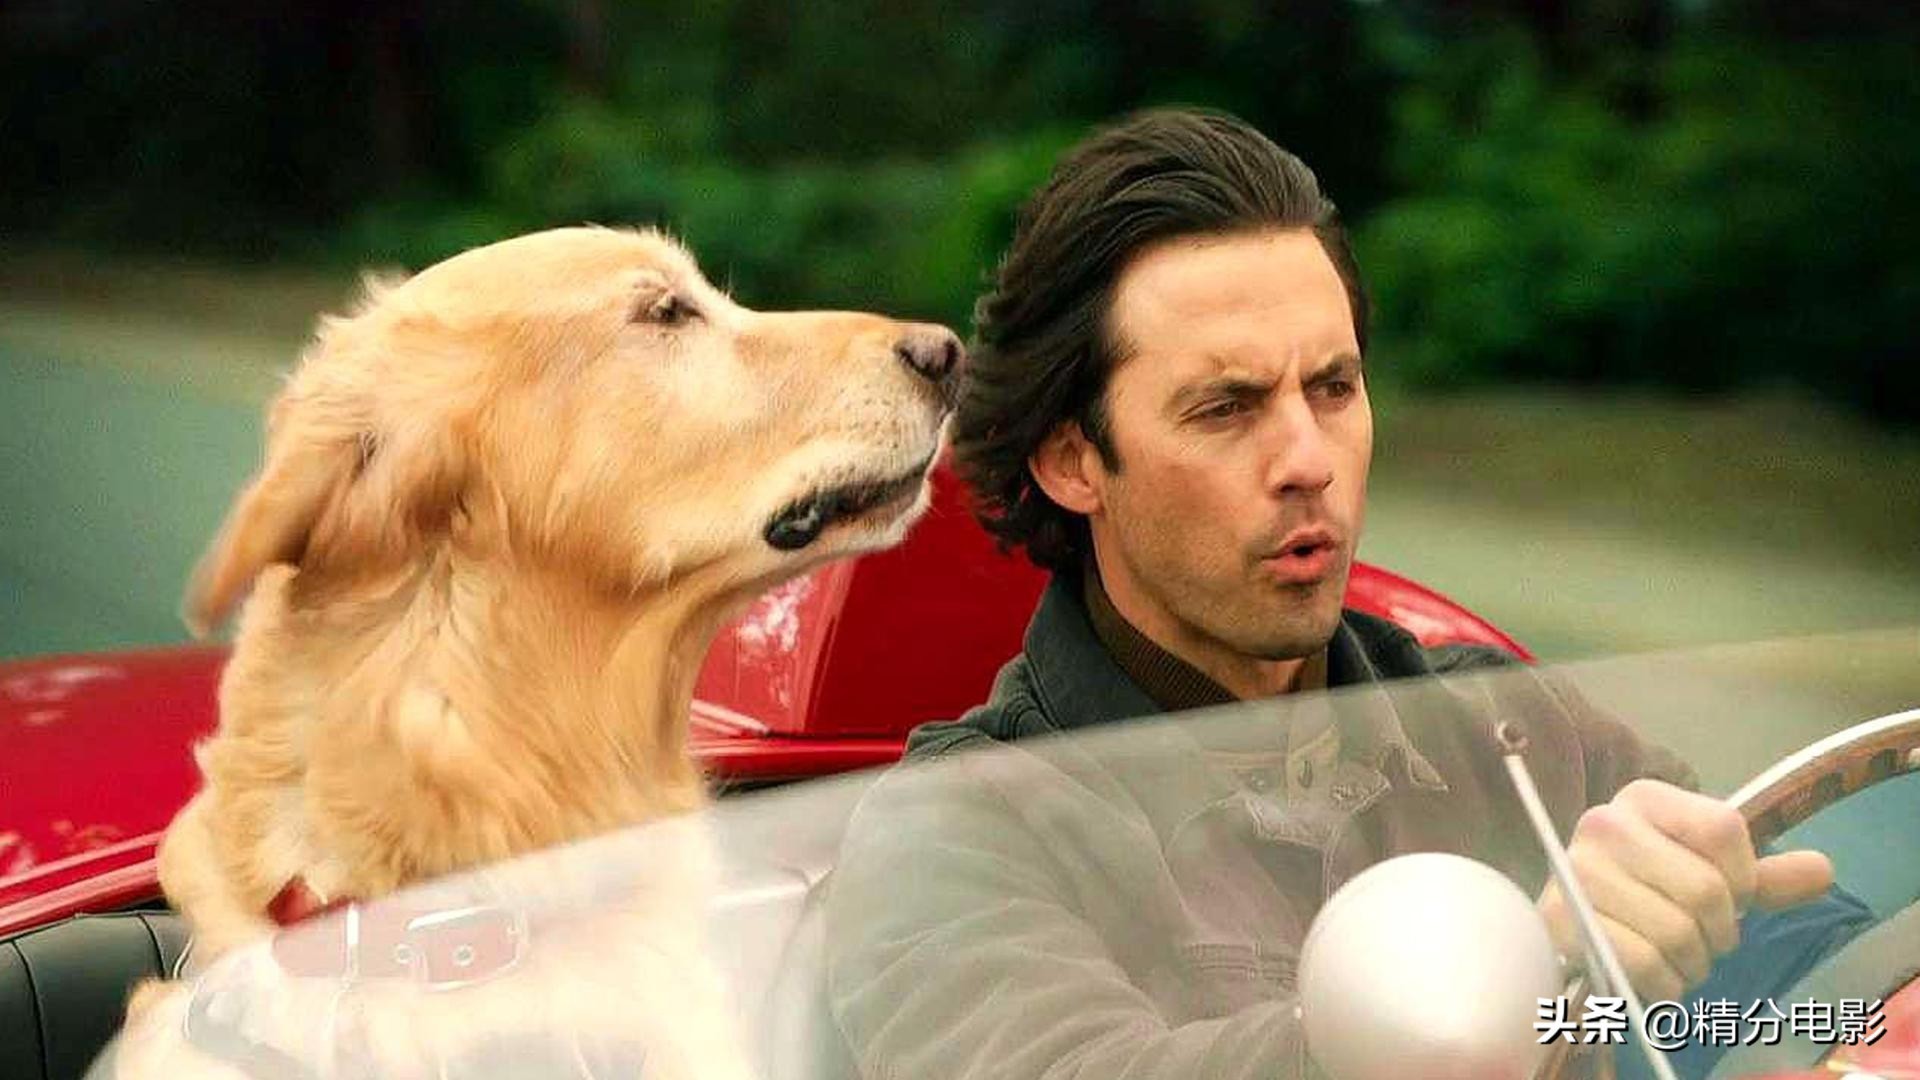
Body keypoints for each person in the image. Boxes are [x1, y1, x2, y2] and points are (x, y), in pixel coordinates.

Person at [821, 108, 1857, 1079]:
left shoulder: (1508, 728)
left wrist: (1801, 984)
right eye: (1226, 408)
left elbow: (1841, 999)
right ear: (1071, 461)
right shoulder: (955, 833)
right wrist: (1511, 973)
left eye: (1333, 387)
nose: (1309, 460)